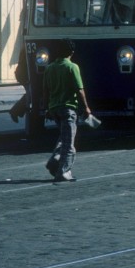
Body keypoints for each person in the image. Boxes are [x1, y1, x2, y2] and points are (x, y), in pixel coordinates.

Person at [43, 39, 90, 182]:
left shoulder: (49, 68)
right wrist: (86, 107)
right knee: (70, 144)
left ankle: (55, 160)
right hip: (68, 108)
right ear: (72, 52)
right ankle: (64, 172)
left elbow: (45, 91)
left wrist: (47, 108)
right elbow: (79, 90)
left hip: (54, 108)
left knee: (63, 137)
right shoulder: (72, 67)